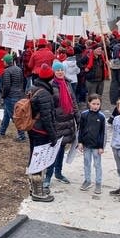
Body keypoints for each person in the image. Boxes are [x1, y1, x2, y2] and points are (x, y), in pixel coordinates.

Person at [43, 60, 80, 190]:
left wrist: (78, 118)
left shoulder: (68, 83)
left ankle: (58, 173)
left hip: (68, 121)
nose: (59, 72)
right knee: (54, 150)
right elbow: (48, 106)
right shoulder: (50, 85)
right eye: (57, 70)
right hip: (57, 122)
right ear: (53, 71)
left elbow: (73, 101)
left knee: (62, 149)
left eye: (61, 70)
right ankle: (48, 176)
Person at [27, 63, 57, 202]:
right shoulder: (44, 93)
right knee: (38, 160)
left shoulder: (34, 88)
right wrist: (52, 135)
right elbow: (47, 117)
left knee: (34, 157)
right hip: (41, 130)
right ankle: (38, 192)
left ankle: (33, 187)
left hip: (32, 128)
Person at [77, 94, 106, 194]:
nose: (95, 106)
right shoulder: (84, 114)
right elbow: (80, 129)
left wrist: (101, 146)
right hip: (86, 145)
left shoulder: (102, 117)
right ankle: (87, 180)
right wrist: (80, 142)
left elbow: (103, 133)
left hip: (97, 146)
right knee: (86, 163)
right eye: (93, 103)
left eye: (98, 104)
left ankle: (98, 183)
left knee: (97, 164)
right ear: (89, 103)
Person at [0, 54, 26, 141]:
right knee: (6, 114)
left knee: (14, 116)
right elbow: (23, 82)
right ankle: (2, 131)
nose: (3, 62)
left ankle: (21, 135)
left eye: (3, 61)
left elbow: (7, 86)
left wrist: (3, 96)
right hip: (18, 95)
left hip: (10, 96)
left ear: (6, 62)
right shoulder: (19, 69)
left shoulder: (7, 72)